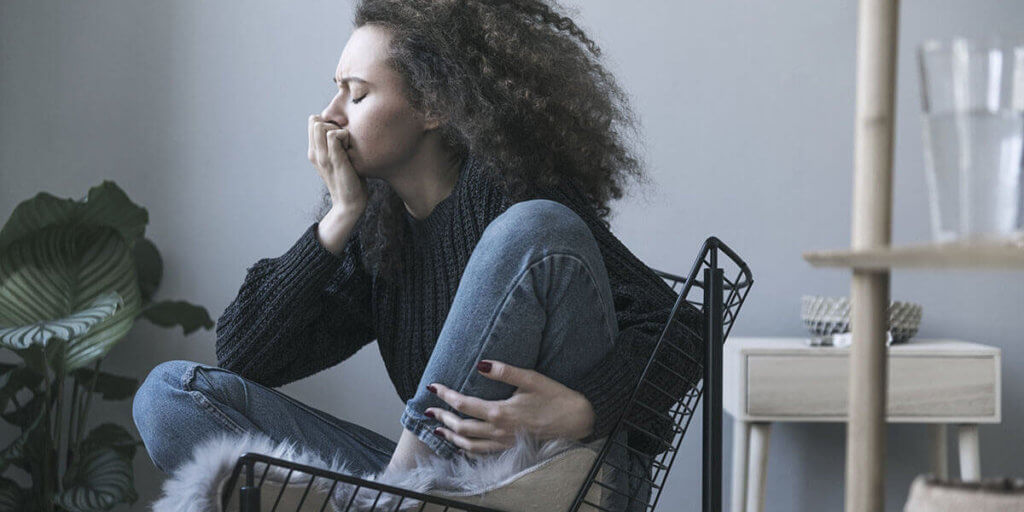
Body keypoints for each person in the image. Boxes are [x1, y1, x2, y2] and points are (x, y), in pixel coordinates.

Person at [133, 1, 704, 510]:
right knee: (169, 397)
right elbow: (241, 357)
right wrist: (337, 220)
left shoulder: (505, 187)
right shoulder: (379, 234)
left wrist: (584, 410)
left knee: (534, 224)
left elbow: (686, 329)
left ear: (432, 106)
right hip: (448, 489)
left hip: (561, 483)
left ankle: (393, 499)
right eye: (335, 90)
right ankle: (395, 498)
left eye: (356, 93)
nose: (330, 114)